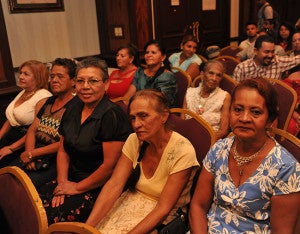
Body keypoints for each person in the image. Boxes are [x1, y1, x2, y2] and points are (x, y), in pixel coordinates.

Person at [189, 77, 300, 233]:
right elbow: (198, 206)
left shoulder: (286, 168)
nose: (244, 118)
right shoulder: (219, 149)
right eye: (238, 109)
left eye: (255, 112)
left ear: (270, 120)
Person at [86, 89, 199, 233]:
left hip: (162, 215)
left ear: (164, 116)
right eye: (133, 118)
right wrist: (87, 227)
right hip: (131, 200)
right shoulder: (134, 140)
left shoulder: (183, 151)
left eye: (143, 116)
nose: (136, 124)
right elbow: (114, 184)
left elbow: (163, 209)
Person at [38, 57, 133, 224]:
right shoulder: (73, 107)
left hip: (99, 185)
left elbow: (109, 167)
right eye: (80, 81)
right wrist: (62, 183)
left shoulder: (112, 115)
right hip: (69, 179)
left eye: (93, 81)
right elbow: (62, 149)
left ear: (106, 84)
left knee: (53, 218)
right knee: (34, 206)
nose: (85, 87)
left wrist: (76, 188)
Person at [7, 58, 77, 188]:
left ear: (73, 81)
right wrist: (29, 152)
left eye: (60, 76)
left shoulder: (76, 106)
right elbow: (32, 129)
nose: (54, 80)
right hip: (34, 151)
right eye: (52, 76)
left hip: (55, 158)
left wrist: (32, 154)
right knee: (6, 177)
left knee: (20, 187)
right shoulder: (49, 101)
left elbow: (64, 143)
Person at [0, 60, 52, 168]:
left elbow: (36, 129)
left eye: (26, 74)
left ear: (38, 77)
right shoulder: (23, 92)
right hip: (10, 137)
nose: (21, 77)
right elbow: (11, 119)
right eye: (21, 73)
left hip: (25, 142)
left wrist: (11, 148)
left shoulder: (43, 96)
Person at [183, 60, 231, 139]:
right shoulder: (189, 93)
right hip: (186, 138)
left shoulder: (225, 96)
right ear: (202, 74)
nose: (214, 78)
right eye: (211, 73)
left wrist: (204, 142)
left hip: (210, 141)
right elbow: (183, 122)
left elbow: (223, 131)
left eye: (218, 75)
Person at [123, 40, 177, 108]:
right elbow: (128, 97)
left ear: (163, 57)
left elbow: (160, 103)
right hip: (138, 107)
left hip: (158, 111)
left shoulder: (167, 76)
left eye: (153, 52)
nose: (149, 55)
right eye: (147, 52)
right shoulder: (139, 72)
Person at [233, 34, 300, 82]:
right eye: (266, 52)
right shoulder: (242, 68)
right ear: (256, 51)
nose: (270, 55)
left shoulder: (278, 61)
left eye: (272, 51)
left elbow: (297, 59)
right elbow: (236, 91)